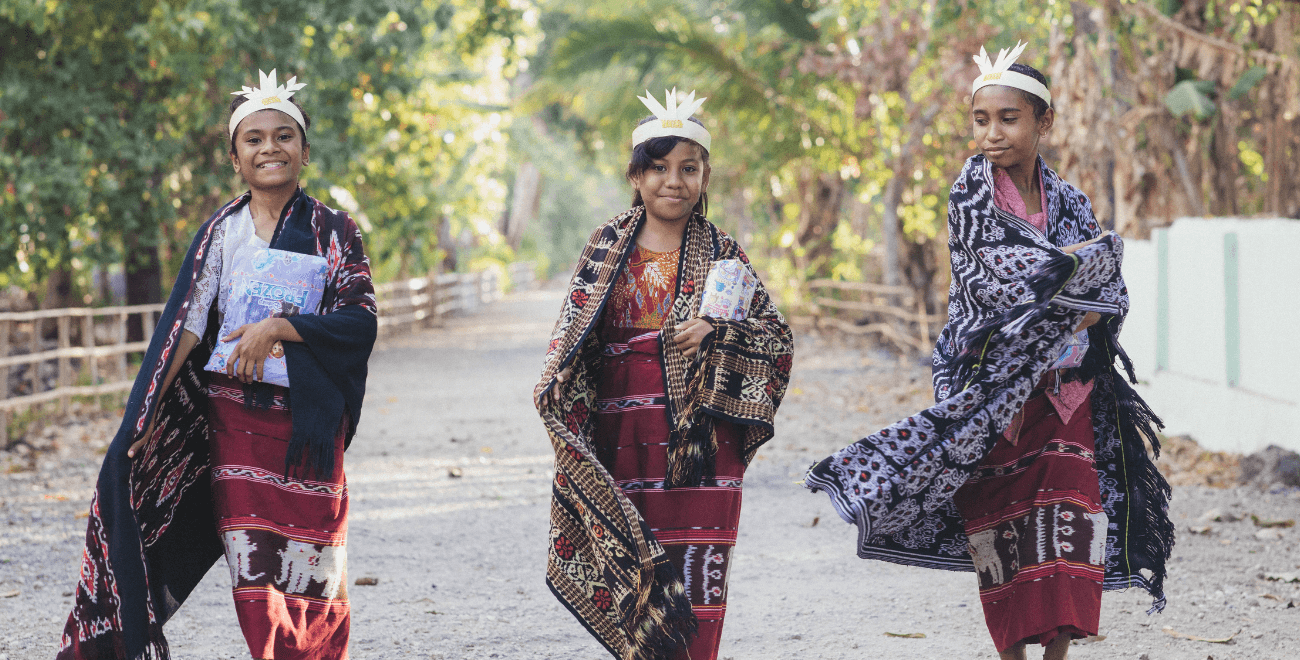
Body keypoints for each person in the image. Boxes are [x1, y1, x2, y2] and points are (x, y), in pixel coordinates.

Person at [804, 43, 1173, 660]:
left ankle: (1057, 653)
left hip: (1068, 392)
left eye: (1008, 118)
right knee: (1002, 528)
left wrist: (1072, 283)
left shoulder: (1072, 202)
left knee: (1071, 522)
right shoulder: (969, 198)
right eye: (981, 120)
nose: (992, 133)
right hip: (993, 391)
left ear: (1044, 122)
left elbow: (1105, 286)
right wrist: (1070, 281)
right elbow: (1000, 284)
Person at [58, 69, 377, 660]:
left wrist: (279, 328)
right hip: (235, 422)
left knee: (314, 565)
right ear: (235, 159)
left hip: (308, 430)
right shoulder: (221, 234)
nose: (269, 148)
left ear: (305, 151)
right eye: (253, 139)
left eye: (283, 136)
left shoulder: (335, 231)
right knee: (255, 568)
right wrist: (146, 413)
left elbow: (360, 322)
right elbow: (187, 327)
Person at [535, 89, 794, 660]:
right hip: (620, 432)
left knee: (698, 572)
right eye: (658, 167)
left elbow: (777, 340)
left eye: (688, 168)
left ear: (705, 176)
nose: (673, 181)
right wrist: (560, 380)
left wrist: (716, 331)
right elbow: (572, 331)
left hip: (701, 446)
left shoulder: (724, 252)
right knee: (633, 565)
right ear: (635, 175)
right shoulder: (606, 245)